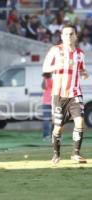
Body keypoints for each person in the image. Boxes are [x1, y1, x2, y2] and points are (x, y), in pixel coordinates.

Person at [42, 24, 89, 164]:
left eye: (71, 34)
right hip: (59, 95)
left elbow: (82, 69)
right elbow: (45, 68)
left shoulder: (80, 54)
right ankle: (56, 155)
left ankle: (76, 154)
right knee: (58, 127)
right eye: (66, 34)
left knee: (80, 121)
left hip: (75, 93)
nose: (69, 36)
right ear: (61, 36)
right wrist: (60, 65)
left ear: (76, 36)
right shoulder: (55, 50)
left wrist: (85, 73)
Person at [41, 72, 52, 141]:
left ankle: (46, 136)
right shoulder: (53, 80)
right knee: (56, 120)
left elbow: (43, 87)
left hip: (46, 102)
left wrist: (44, 79)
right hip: (53, 102)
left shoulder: (46, 81)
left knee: (46, 120)